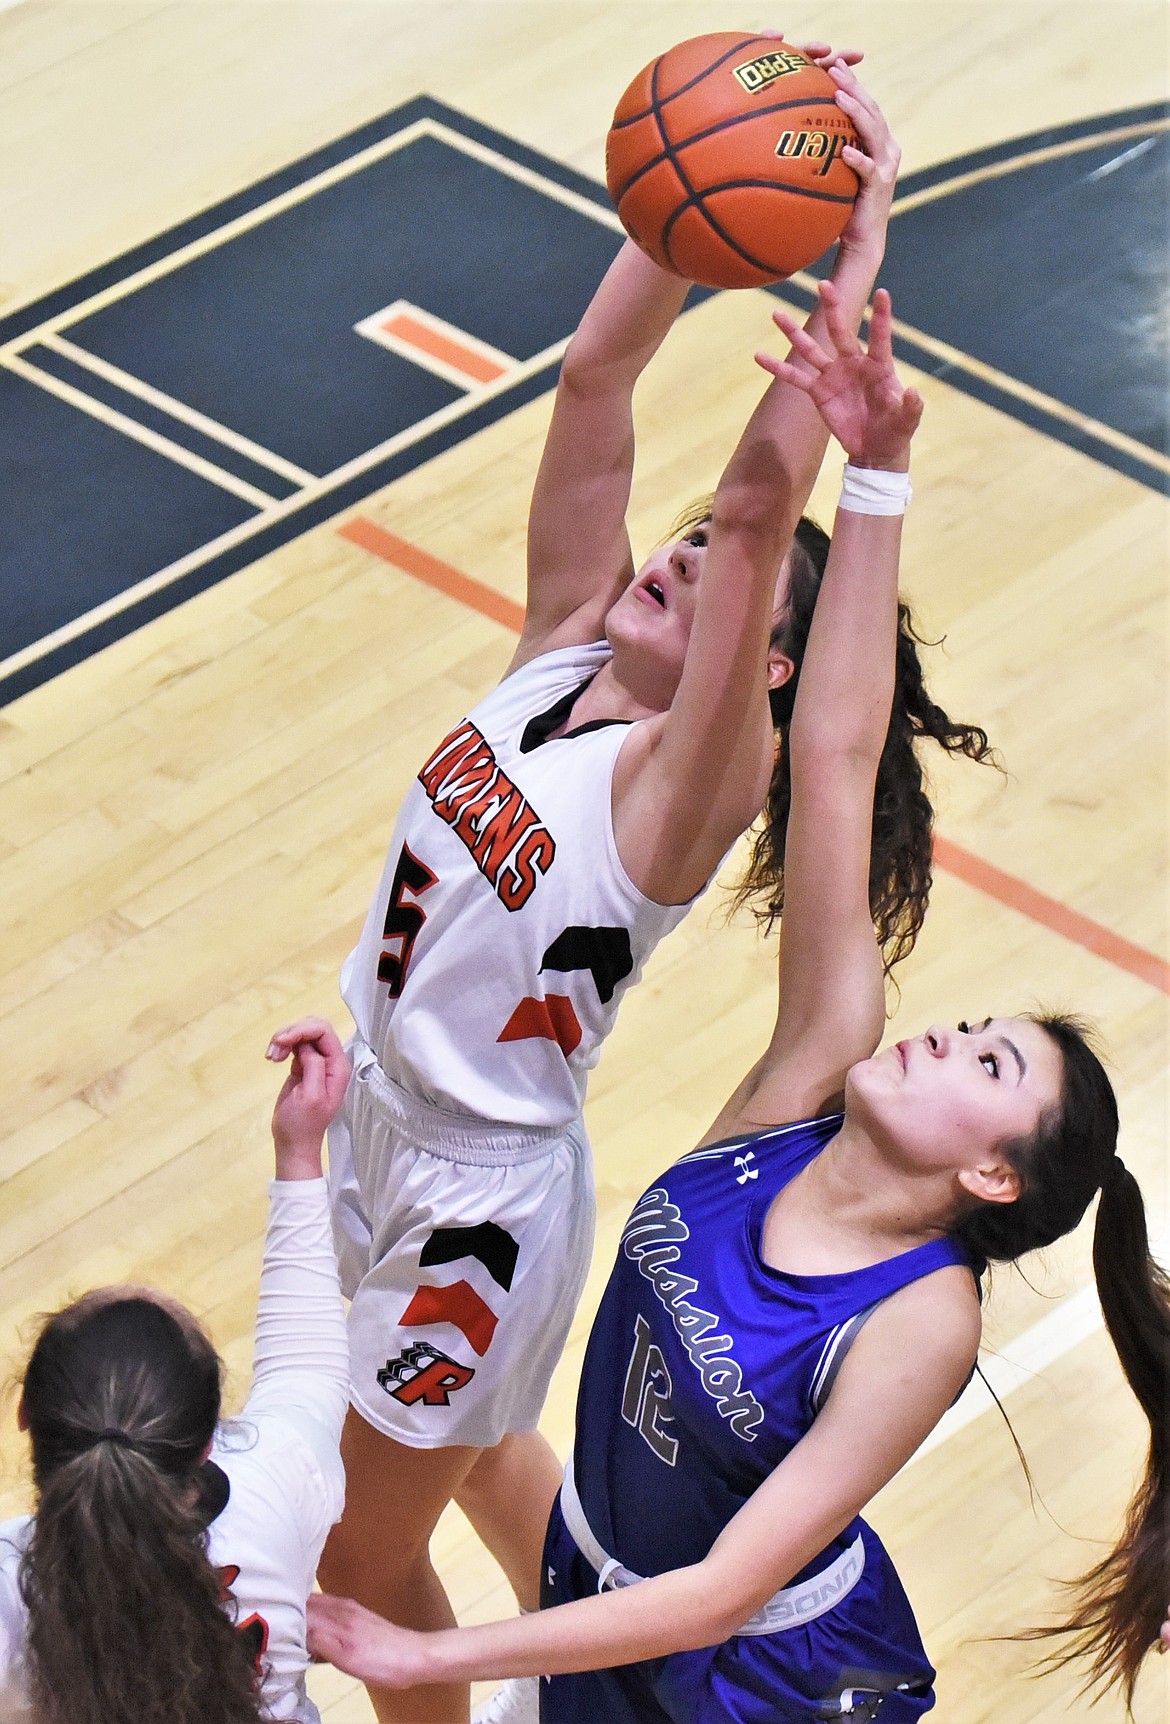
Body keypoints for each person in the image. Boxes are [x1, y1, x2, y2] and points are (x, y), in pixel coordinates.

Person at [306, 287, 1169, 1719]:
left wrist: (428, 1657)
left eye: (991, 1060)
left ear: (986, 1169)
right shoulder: (793, 1103)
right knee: (463, 1468)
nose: (949, 1026)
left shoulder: (916, 1321)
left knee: (387, 1535)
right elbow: (835, 753)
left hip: (739, 1683)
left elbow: (708, 1597)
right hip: (600, 1593)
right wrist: (876, 459)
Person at [318, 50, 993, 1724]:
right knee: (477, 1470)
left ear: (762, 673)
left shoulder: (682, 793)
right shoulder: (560, 648)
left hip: (478, 1193)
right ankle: (633, 1628)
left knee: (350, 1558)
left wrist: (855, 246)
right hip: (374, 1109)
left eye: (713, 576)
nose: (681, 548)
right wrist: (683, 210)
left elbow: (763, 507)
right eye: (673, 541)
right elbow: (599, 381)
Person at [0, 1018, 352, 1724]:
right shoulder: (273, 1491)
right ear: (205, 1447)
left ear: (26, 1418)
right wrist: (299, 1153)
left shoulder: (9, 1590)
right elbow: (307, 1369)